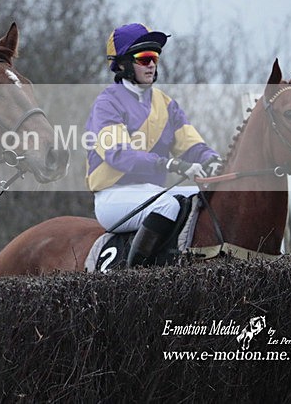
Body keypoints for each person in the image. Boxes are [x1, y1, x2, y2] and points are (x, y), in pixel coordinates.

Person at [85, 22, 223, 262]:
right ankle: (136, 278)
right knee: (166, 207)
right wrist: (167, 164)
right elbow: (118, 154)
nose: (151, 64)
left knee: (208, 196)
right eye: (144, 58)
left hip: (153, 192)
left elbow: (191, 145)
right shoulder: (107, 103)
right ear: (124, 63)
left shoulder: (166, 103)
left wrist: (212, 160)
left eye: (155, 57)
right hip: (113, 196)